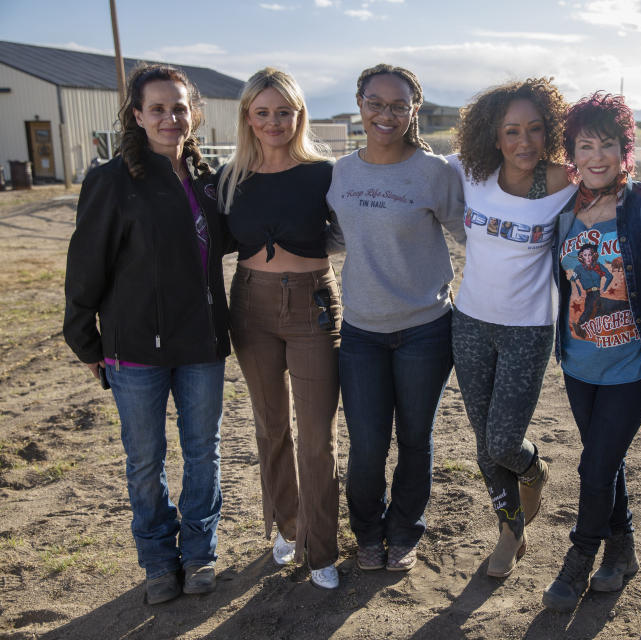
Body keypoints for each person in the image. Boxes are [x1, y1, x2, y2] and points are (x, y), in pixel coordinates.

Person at [63, 64, 229, 604]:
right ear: (137, 115)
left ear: (193, 113)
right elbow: (85, 269)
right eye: (157, 108)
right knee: (144, 460)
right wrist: (88, 344)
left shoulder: (210, 180)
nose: (169, 117)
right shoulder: (112, 181)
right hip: (135, 348)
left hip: (201, 343)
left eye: (178, 107)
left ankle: (200, 554)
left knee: (203, 452)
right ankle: (159, 563)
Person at [325, 64, 465, 572]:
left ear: (414, 111)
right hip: (361, 331)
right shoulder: (340, 172)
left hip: (426, 330)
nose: (386, 114)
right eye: (375, 102)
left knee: (414, 438)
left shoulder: (435, 173)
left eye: (398, 105)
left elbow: (471, 236)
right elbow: (336, 237)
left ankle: (404, 531)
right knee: (365, 445)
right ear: (359, 102)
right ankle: (366, 532)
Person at [541, 92, 641, 610]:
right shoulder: (563, 210)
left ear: (625, 149)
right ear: (572, 151)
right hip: (579, 361)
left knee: (594, 466)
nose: (597, 156)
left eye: (608, 144)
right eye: (585, 145)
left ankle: (579, 560)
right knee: (606, 459)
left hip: (635, 363)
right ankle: (623, 552)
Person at [218, 68, 341, 590]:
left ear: (299, 115)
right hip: (251, 305)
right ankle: (287, 527)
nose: (274, 122)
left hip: (312, 302)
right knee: (271, 427)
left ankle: (322, 548)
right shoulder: (230, 177)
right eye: (263, 112)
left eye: (284, 112)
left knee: (318, 437)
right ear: (248, 115)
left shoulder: (325, 173)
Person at [450, 78, 577, 578]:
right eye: (511, 131)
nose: (524, 142)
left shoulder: (565, 180)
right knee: (484, 444)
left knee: (503, 443)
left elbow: (619, 183)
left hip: (528, 329)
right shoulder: (471, 174)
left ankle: (534, 469)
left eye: (535, 129)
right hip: (470, 323)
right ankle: (511, 531)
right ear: (493, 136)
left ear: (551, 131)